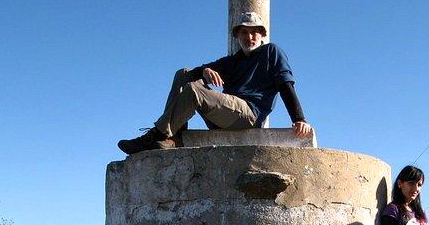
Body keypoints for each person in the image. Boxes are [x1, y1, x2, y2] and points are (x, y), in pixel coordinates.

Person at [118, 11, 313, 155]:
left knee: (194, 89)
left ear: (262, 35)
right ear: (236, 36)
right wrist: (204, 71)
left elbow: (286, 85)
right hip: (224, 115)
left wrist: (299, 119)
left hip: (248, 115)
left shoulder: (272, 52)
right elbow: (193, 74)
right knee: (184, 74)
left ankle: (156, 135)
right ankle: (173, 135)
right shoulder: (232, 61)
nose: (250, 37)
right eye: (244, 32)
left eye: (254, 32)